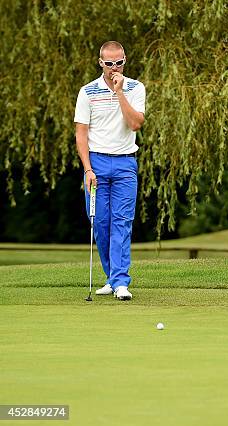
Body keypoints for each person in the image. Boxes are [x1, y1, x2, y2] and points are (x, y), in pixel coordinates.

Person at [74, 41, 146, 301]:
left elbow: (136, 123)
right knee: (100, 223)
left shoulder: (136, 88)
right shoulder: (87, 92)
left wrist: (119, 93)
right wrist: (88, 169)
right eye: (109, 63)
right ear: (100, 62)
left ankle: (121, 281)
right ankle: (112, 277)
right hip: (97, 164)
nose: (115, 68)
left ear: (125, 60)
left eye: (119, 62)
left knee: (122, 222)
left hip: (125, 163)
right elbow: (81, 134)